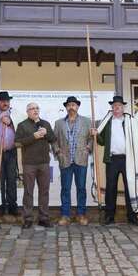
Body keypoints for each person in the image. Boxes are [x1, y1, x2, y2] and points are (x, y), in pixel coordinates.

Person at [93, 95, 138, 226]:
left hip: (128, 159)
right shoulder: (107, 122)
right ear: (112, 107)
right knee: (111, 188)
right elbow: (101, 142)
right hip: (112, 159)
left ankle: (132, 216)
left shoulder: (130, 121)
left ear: (123, 107)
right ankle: (109, 216)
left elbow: (137, 137)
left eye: (119, 106)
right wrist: (96, 135)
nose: (116, 108)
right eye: (114, 106)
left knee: (130, 187)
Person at [15, 102, 56, 228]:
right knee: (28, 192)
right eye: (32, 109)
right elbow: (17, 143)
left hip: (44, 163)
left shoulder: (45, 124)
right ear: (27, 112)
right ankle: (28, 219)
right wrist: (33, 137)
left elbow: (53, 139)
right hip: (29, 164)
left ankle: (44, 218)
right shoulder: (22, 125)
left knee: (44, 191)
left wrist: (46, 133)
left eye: (37, 108)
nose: (35, 110)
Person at [53, 96, 91, 226]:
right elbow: (54, 140)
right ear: (66, 107)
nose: (71, 107)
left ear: (78, 107)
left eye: (73, 105)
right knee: (65, 189)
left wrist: (88, 148)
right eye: (69, 105)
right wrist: (58, 152)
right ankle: (65, 215)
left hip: (81, 160)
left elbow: (92, 137)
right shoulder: (59, 123)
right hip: (65, 161)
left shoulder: (86, 121)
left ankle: (81, 214)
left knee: (81, 188)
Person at [0, 91, 21, 222]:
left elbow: (21, 128)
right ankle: (1, 206)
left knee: (11, 179)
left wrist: (10, 122)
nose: (5, 103)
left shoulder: (15, 113)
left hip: (11, 152)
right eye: (2, 101)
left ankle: (12, 206)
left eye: (7, 101)